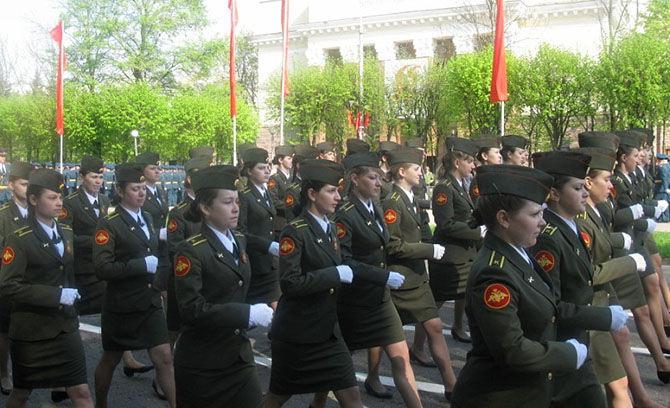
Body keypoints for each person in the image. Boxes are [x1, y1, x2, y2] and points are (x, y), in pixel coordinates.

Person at [452, 164, 619, 408]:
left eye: (542, 213)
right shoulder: (494, 272)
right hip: (498, 397)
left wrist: (602, 317)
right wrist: (567, 354)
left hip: (534, 386)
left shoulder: (519, 252)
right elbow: (513, 350)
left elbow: (550, 307)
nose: (542, 222)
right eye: (534, 215)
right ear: (504, 219)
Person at [530, 150, 629, 407]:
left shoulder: (570, 226)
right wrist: (603, 317)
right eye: (577, 187)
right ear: (554, 194)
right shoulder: (548, 237)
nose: (585, 192)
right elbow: (550, 305)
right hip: (560, 348)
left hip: (576, 343)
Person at [265, 159, 363, 408]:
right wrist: (334, 274)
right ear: (311, 193)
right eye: (331, 191)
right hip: (298, 333)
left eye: (338, 190)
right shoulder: (294, 231)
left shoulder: (330, 226)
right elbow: (290, 283)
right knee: (278, 396)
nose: (338, 197)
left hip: (328, 331)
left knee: (351, 395)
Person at [173, 165, 272, 408]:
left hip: (237, 356)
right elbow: (191, 309)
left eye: (237, 201)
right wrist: (245, 313)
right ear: (206, 208)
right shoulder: (191, 250)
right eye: (228, 202)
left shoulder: (238, 239)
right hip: (203, 363)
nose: (236, 208)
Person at [576, 146, 664, 408]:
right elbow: (589, 269)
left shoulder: (595, 209)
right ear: (589, 182)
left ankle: (643, 395)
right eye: (606, 179)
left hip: (602, 289)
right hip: (587, 299)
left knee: (623, 340)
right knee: (612, 386)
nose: (610, 184)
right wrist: (628, 260)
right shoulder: (582, 216)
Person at [0, 169, 94, 408]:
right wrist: (56, 295)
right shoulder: (19, 238)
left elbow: (67, 271)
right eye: (52, 197)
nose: (59, 202)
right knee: (21, 394)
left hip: (65, 329)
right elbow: (8, 286)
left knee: (81, 391)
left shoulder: (66, 232)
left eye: (60, 197)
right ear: (33, 200)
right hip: (33, 332)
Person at [334, 152, 421, 406]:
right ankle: (316, 401)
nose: (378, 183)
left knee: (401, 357)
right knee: (337, 363)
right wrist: (383, 275)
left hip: (380, 300)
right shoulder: (345, 214)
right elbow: (345, 261)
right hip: (355, 301)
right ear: (354, 178)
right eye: (372, 178)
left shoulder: (377, 207)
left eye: (380, 178)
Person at [92, 163, 175, 408]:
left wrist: (158, 284)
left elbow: (155, 256)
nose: (142, 193)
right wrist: (140, 266)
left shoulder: (147, 217)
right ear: (120, 191)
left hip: (148, 301)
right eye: (135, 189)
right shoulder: (109, 223)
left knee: (165, 358)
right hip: (122, 304)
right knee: (111, 359)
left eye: (143, 188)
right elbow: (102, 268)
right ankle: (101, 404)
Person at [382, 146, 457, 401]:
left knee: (434, 326)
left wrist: (434, 248)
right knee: (385, 340)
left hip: (416, 278)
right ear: (401, 171)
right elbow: (392, 245)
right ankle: (371, 377)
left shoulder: (411, 198)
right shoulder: (392, 202)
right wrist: (427, 249)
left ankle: (451, 385)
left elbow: (423, 231)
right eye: (417, 169)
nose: (421, 173)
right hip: (400, 280)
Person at [427, 138, 483, 344]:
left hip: (464, 253)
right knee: (436, 302)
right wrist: (478, 232)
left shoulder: (460, 185)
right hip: (449, 255)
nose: (473, 165)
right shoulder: (444, 188)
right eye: (469, 161)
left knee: (465, 293)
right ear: (457, 163)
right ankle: (418, 345)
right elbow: (446, 224)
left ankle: (458, 327)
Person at [165, 157, 210, 340]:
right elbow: (174, 248)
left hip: (209, 277)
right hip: (185, 278)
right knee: (176, 330)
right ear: (190, 179)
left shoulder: (211, 207)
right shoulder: (179, 212)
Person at [0, 161, 33, 395]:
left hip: (34, 282)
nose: (28, 188)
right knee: (4, 332)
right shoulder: (3, 216)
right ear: (11, 185)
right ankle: (3, 371)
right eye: (23, 183)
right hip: (9, 282)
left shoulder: (38, 212)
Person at [238, 147, 281, 308]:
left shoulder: (265, 192)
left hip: (270, 263)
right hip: (254, 262)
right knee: (252, 310)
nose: (267, 171)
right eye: (261, 168)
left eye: (268, 166)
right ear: (249, 171)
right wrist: (267, 245)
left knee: (276, 307)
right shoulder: (245, 195)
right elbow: (240, 231)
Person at [268, 145, 294, 238]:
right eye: (289, 158)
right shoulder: (274, 179)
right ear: (280, 160)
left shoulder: (293, 178)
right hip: (281, 223)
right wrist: (291, 207)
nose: (292, 161)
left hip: (293, 222)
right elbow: (273, 200)